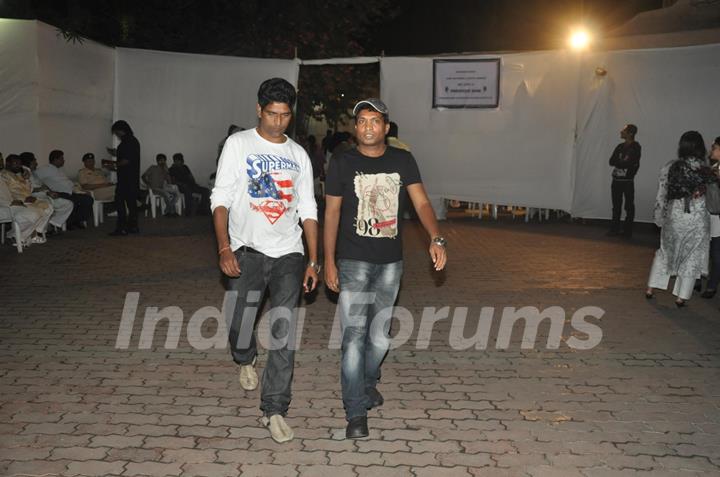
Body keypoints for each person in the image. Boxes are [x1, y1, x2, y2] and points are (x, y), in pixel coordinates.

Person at [323, 98, 448, 439]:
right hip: (353, 260)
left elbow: (421, 201)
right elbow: (331, 213)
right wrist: (328, 261)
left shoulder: (402, 160)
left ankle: (366, 384)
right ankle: (355, 412)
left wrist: (436, 238)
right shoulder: (342, 161)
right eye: (361, 121)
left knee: (379, 337)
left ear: (386, 128)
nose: (367, 127)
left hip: (391, 262)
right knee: (354, 337)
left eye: (374, 121)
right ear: (354, 127)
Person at [211, 77, 319, 444]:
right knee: (241, 323)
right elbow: (220, 198)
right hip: (246, 251)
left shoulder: (299, 155)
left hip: (289, 252)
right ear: (259, 109)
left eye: (285, 115)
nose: (277, 122)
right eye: (271, 114)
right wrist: (224, 248)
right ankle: (244, 358)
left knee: (284, 333)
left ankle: (273, 408)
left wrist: (314, 259)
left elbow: (308, 208)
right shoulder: (238, 144)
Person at [646, 131, 715, 307]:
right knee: (692, 255)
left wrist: (659, 216)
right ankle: (681, 296)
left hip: (675, 216)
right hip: (697, 217)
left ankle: (651, 287)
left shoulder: (671, 167)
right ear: (701, 147)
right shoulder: (706, 170)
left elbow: (662, 193)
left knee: (665, 251)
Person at [1, 154, 53, 243]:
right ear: (8, 164)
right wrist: (21, 200)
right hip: (16, 202)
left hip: (28, 199)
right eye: (15, 163)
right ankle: (19, 235)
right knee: (36, 213)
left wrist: (27, 180)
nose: (18, 166)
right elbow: (5, 193)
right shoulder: (3, 175)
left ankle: (34, 232)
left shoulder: (18, 175)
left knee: (48, 207)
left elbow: (27, 189)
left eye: (19, 164)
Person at [35, 149, 94, 229]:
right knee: (80, 201)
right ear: (55, 160)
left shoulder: (59, 170)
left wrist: (79, 191)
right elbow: (35, 176)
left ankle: (75, 221)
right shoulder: (45, 169)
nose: (64, 160)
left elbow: (66, 182)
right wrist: (45, 187)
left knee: (87, 199)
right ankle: (70, 222)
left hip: (69, 191)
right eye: (62, 159)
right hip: (59, 193)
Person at [19, 152, 73, 230]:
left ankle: (51, 223)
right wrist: (43, 190)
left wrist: (49, 191)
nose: (36, 162)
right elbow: (27, 189)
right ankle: (45, 228)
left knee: (68, 204)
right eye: (34, 160)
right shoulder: (24, 172)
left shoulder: (33, 172)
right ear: (29, 161)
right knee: (48, 206)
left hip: (45, 195)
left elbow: (42, 185)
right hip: (35, 197)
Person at [105, 120, 141, 235]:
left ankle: (121, 227)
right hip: (132, 178)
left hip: (126, 179)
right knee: (131, 203)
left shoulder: (128, 142)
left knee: (120, 202)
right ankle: (133, 227)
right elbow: (127, 155)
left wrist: (113, 164)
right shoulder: (132, 141)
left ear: (121, 130)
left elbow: (126, 160)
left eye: (116, 133)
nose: (116, 135)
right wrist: (116, 153)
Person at [607, 124, 641, 238]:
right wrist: (622, 163)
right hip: (616, 180)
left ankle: (627, 231)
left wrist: (621, 163)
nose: (621, 131)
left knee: (629, 206)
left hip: (627, 181)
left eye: (624, 130)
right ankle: (614, 229)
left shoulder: (636, 147)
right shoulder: (620, 146)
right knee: (616, 206)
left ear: (630, 133)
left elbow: (632, 163)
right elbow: (611, 161)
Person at [702, 136, 720, 298]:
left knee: (716, 253)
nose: (710, 150)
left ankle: (712, 285)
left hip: (717, 215)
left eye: (714, 147)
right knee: (712, 252)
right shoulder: (713, 168)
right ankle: (708, 283)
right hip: (712, 216)